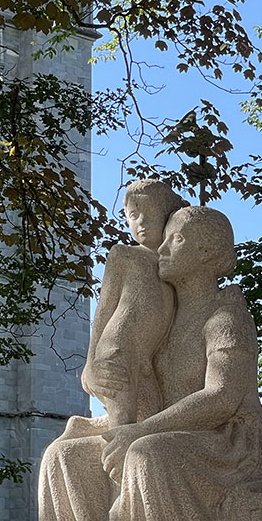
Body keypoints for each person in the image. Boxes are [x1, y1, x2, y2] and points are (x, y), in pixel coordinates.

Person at [16, 205, 262, 521]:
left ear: (209, 254)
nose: (163, 246)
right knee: (62, 457)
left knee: (147, 454)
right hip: (162, 429)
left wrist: (139, 432)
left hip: (225, 442)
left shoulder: (225, 315)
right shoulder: (166, 315)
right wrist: (99, 376)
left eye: (177, 239)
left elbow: (222, 397)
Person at [83, 179, 188, 429]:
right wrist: (90, 365)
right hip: (118, 348)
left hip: (148, 360)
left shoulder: (176, 263)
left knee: (148, 427)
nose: (140, 221)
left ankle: (79, 429)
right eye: (132, 215)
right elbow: (104, 310)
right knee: (121, 428)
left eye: (148, 212)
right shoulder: (124, 255)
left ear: (167, 214)